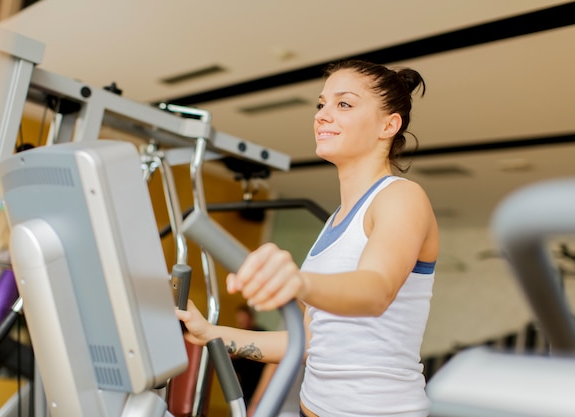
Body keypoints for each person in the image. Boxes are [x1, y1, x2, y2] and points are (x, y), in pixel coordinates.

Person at [176, 60, 439, 417]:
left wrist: (296, 281)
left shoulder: (401, 197)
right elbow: (308, 342)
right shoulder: (335, 220)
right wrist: (210, 333)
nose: (322, 115)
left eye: (343, 104)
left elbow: (376, 290)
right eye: (321, 104)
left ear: (388, 125)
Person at [230, 304, 267, 408]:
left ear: (251, 319)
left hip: (261, 390)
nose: (242, 323)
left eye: (244, 319)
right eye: (240, 320)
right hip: (244, 390)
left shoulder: (262, 335)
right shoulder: (238, 338)